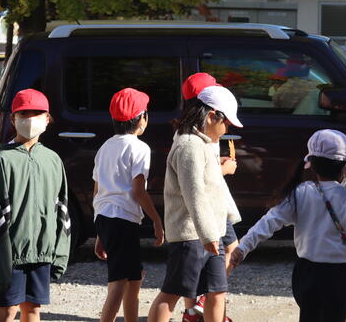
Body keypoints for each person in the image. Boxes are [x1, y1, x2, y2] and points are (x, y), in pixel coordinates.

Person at [230, 129, 346, 322]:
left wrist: (243, 247)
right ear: (344, 167)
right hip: (336, 275)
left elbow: (268, 222)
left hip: (305, 273)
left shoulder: (300, 193)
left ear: (312, 164)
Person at [147, 85, 242, 322]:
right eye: (226, 123)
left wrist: (213, 234)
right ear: (211, 116)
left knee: (217, 292)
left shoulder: (203, 142)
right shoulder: (189, 145)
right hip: (191, 234)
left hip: (213, 233)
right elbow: (194, 194)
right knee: (172, 293)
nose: (227, 129)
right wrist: (208, 234)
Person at [0, 89, 71, 322]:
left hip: (41, 252)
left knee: (33, 309)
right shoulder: (1, 159)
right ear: (13, 119)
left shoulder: (52, 159)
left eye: (36, 113)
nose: (30, 119)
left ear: (47, 118)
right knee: (7, 310)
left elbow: (62, 210)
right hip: (11, 254)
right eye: (23, 114)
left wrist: (58, 253)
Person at [93, 88, 164, 322]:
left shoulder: (105, 147)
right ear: (142, 118)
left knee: (135, 278)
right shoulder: (139, 148)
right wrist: (156, 220)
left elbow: (97, 190)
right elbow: (138, 190)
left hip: (105, 217)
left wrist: (100, 233)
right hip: (123, 219)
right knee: (119, 282)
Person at [178, 73, 240, 322]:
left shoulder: (188, 130)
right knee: (231, 250)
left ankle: (192, 311)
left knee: (199, 269)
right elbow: (199, 180)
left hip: (208, 210)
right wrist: (225, 169)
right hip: (211, 208)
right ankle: (202, 303)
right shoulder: (198, 136)